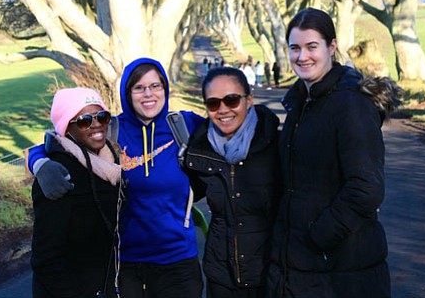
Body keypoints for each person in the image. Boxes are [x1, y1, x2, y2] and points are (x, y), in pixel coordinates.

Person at [28, 58, 205, 298]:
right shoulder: (111, 129)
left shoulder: (185, 125)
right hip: (125, 265)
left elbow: (227, 125)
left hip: (178, 263)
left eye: (155, 86)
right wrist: (39, 162)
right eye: (139, 87)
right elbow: (59, 141)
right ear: (127, 93)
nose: (148, 94)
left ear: (166, 89)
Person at [266, 8, 398, 298]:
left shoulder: (351, 105)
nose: (302, 57)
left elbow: (366, 188)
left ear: (332, 47)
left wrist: (318, 237)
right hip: (306, 269)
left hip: (342, 269)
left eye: (312, 46)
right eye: (295, 48)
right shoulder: (302, 101)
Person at [183, 67, 281, 298]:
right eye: (214, 104)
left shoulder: (277, 145)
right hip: (222, 277)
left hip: (271, 273)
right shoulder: (199, 150)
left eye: (232, 100)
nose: (223, 110)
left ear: (249, 100)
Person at [31, 87, 121, 298]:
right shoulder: (57, 175)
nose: (96, 124)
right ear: (67, 128)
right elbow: (46, 260)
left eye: (102, 116)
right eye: (84, 120)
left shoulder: (113, 164)